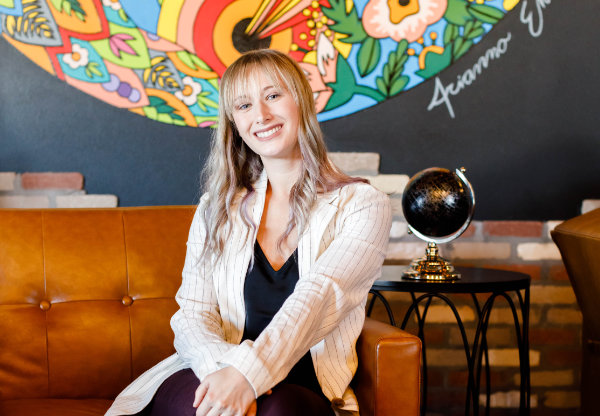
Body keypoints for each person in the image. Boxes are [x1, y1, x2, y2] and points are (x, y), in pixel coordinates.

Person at [105, 49, 392, 416]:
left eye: (273, 96)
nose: (261, 115)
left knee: (279, 411)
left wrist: (249, 376)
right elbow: (192, 314)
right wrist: (226, 373)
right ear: (234, 123)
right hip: (209, 372)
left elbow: (320, 296)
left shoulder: (362, 204)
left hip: (300, 386)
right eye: (243, 105)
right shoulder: (217, 207)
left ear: (301, 101)